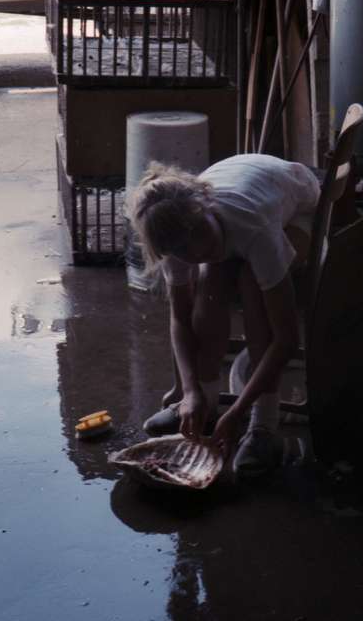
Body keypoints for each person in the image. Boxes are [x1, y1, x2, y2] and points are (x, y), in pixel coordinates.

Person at [127, 153, 320, 477]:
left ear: (203, 207)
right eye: (185, 251)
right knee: (210, 284)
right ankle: (206, 400)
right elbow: (180, 319)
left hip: (299, 210)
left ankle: (264, 426)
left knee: (251, 285)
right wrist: (188, 391)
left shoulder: (253, 226)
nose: (198, 251)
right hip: (248, 192)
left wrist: (239, 411)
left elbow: (286, 338)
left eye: (200, 234)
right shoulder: (176, 237)